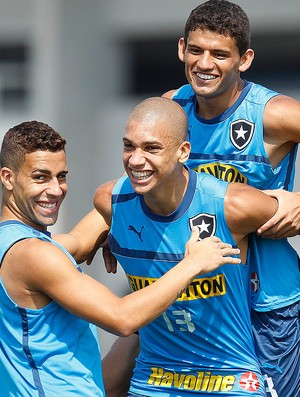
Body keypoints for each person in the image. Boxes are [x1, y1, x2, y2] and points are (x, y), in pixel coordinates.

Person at [103, 2, 300, 396]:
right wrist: (113, 230)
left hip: (265, 305)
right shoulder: (172, 108)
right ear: (181, 49)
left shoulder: (273, 114)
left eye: (220, 54)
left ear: (244, 60)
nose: (204, 63)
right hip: (195, 289)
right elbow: (142, 183)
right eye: (196, 50)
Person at [0, 120, 241, 397]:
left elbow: (75, 244)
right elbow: (123, 318)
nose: (56, 189)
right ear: (8, 178)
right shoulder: (34, 254)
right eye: (41, 177)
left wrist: (119, 230)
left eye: (61, 176)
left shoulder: (18, 244)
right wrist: (192, 264)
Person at [94, 96, 282, 396]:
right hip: (153, 380)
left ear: (183, 152)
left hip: (230, 381)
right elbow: (68, 246)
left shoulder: (234, 205)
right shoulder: (111, 202)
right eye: (129, 146)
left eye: (151, 148)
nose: (135, 159)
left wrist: (293, 201)